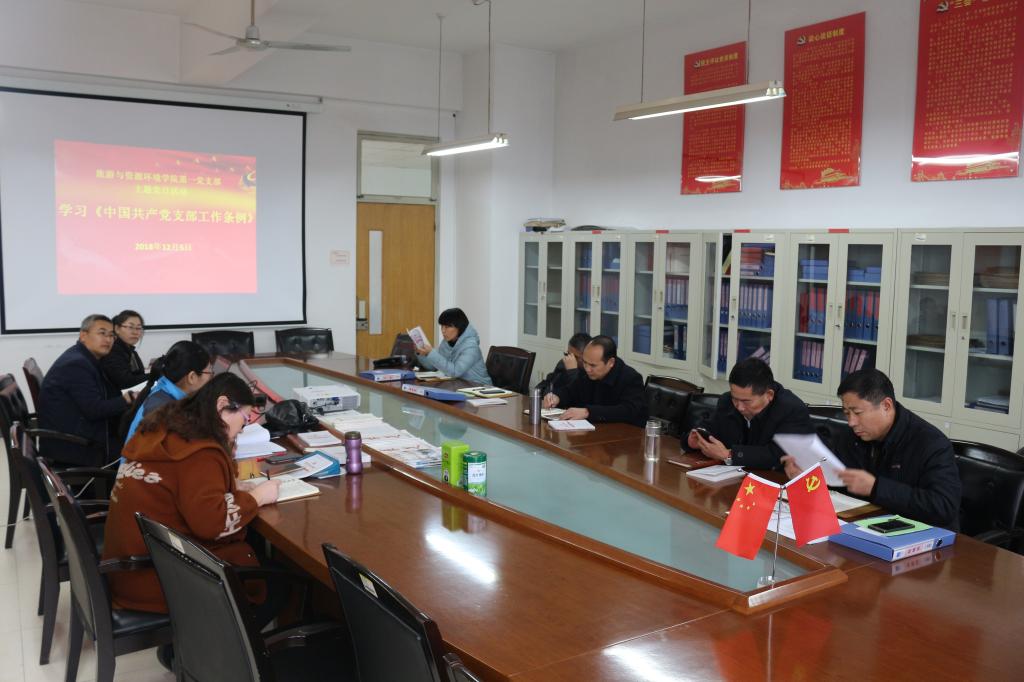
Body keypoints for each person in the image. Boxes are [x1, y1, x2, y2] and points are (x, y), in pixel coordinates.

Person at [101, 373, 280, 614]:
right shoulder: (200, 451)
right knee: (278, 584)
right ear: (222, 405)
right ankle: (223, 637)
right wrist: (258, 497)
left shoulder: (165, 427)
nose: (243, 427)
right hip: (158, 579)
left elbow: (181, 485)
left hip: (129, 568)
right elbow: (212, 524)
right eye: (245, 418)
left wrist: (229, 484)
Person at [783, 368, 961, 529]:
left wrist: (876, 488)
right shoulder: (853, 435)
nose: (851, 422)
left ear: (886, 406)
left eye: (857, 413)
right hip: (865, 526)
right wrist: (807, 476)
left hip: (920, 537)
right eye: (846, 413)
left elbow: (943, 506)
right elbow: (841, 482)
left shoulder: (931, 443)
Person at [37, 314, 133, 466]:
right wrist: (126, 400)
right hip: (76, 446)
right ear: (83, 335)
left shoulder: (84, 357)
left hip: (78, 433)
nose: (108, 339)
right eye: (102, 333)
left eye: (111, 335)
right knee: (140, 451)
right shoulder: (77, 364)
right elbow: (94, 410)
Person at [687, 357, 812, 469]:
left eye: (746, 401)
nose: (739, 407)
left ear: (769, 395)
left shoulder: (791, 409)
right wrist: (694, 441)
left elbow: (778, 455)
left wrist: (729, 455)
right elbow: (710, 429)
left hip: (774, 482)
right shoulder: (727, 401)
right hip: (731, 478)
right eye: (735, 398)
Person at [542, 335, 647, 426]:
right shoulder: (587, 372)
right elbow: (570, 391)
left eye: (593, 365)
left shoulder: (630, 378)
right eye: (584, 362)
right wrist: (557, 397)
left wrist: (588, 412)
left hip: (625, 435)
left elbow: (627, 410)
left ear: (610, 362)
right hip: (594, 430)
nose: (587, 369)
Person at [121, 340, 212, 443]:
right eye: (209, 372)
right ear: (192, 377)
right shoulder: (164, 410)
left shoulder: (165, 390)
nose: (211, 377)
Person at [415, 307, 492, 385]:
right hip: (459, 385)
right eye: (442, 326)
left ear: (459, 327)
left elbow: (455, 372)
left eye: (447, 327)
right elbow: (432, 366)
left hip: (480, 387)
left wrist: (431, 353)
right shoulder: (446, 342)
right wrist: (422, 353)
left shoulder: (471, 347)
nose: (443, 331)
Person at [100, 310, 148, 390]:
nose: (135, 332)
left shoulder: (131, 351)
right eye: (130, 327)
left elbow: (139, 374)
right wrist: (155, 375)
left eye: (138, 328)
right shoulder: (112, 351)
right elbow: (125, 382)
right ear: (117, 329)